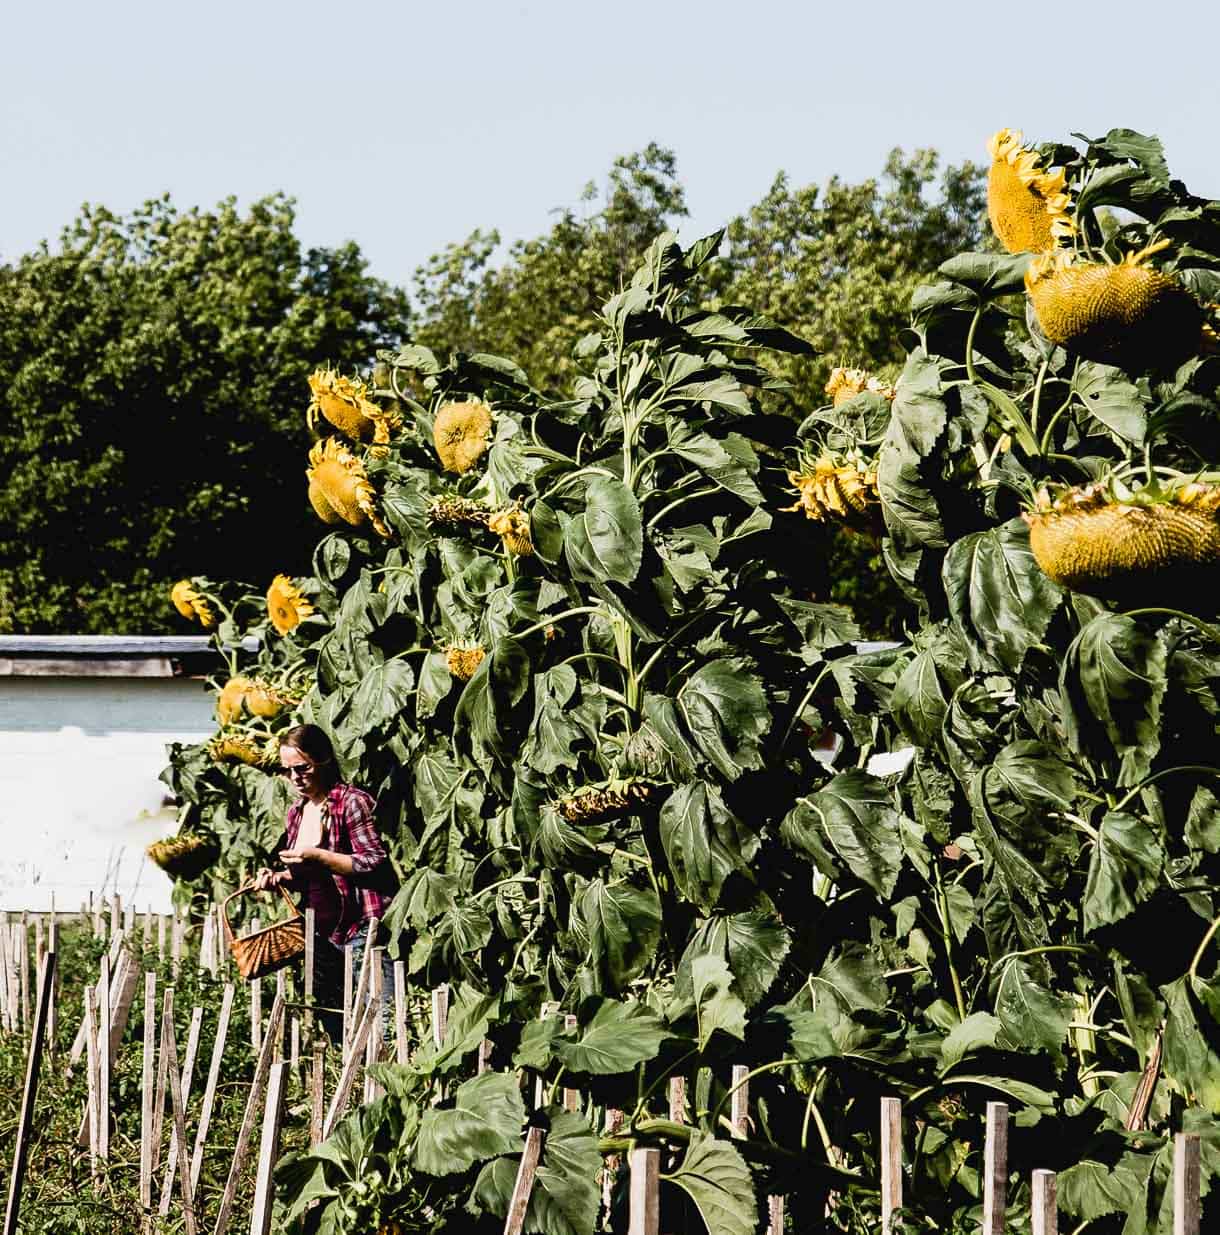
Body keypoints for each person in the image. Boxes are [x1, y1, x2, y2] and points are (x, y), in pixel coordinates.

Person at [253, 724, 395, 1041]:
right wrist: (277, 879)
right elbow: (308, 878)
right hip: (319, 931)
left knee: (380, 1020)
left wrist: (319, 855)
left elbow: (373, 860)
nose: (295, 779)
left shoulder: (351, 803)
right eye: (288, 771)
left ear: (324, 760)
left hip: (360, 926)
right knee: (334, 1021)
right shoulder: (296, 813)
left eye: (302, 769)